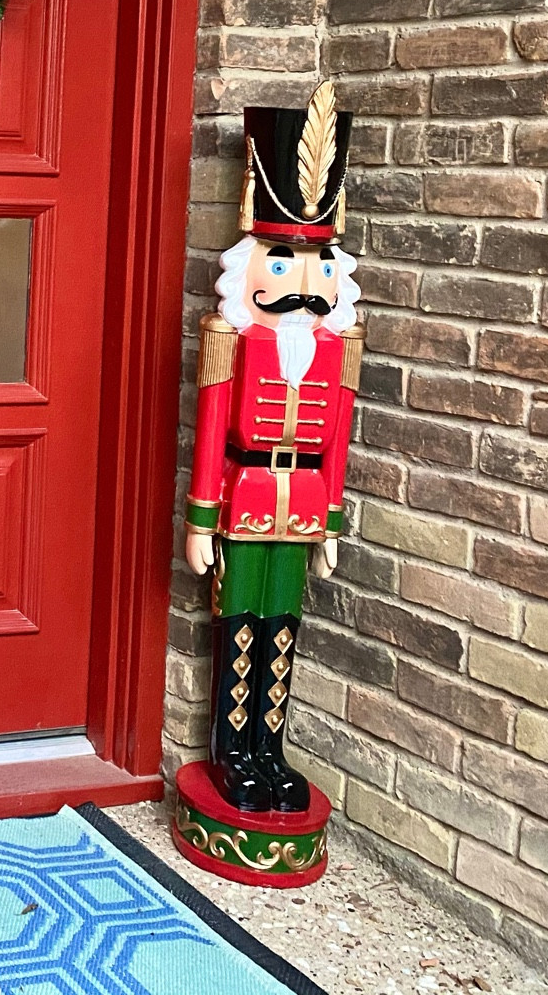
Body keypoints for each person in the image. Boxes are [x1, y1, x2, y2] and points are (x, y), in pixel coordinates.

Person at [183, 80, 362, 814]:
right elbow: (209, 434)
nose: (307, 283)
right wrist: (200, 521)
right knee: (239, 624)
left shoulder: (338, 349)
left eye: (321, 262)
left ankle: (271, 749)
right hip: (246, 497)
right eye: (283, 259)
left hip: (303, 504)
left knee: (284, 624)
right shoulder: (230, 340)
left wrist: (332, 526)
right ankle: (232, 753)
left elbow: (337, 441)